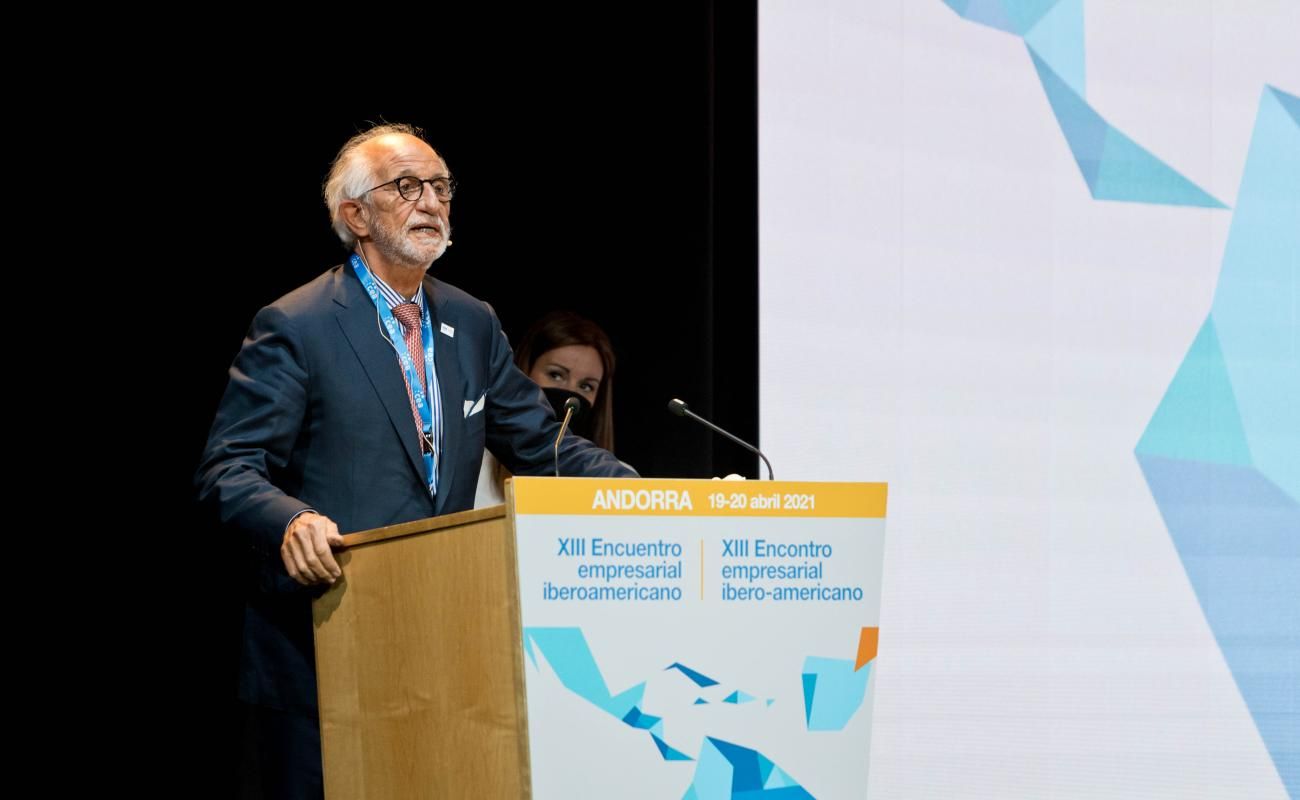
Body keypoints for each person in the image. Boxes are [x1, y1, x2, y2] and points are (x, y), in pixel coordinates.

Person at [195, 123, 634, 798]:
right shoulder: (298, 324)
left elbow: (541, 446)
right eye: (407, 186)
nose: (431, 201)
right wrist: (290, 520)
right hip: (323, 645)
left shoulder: (472, 321)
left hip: (435, 646)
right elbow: (230, 466)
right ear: (356, 215)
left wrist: (648, 491)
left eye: (441, 186)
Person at [475, 311, 619, 506]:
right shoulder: (473, 472)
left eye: (586, 386)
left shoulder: (620, 484)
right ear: (524, 372)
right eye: (556, 375)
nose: (570, 392)